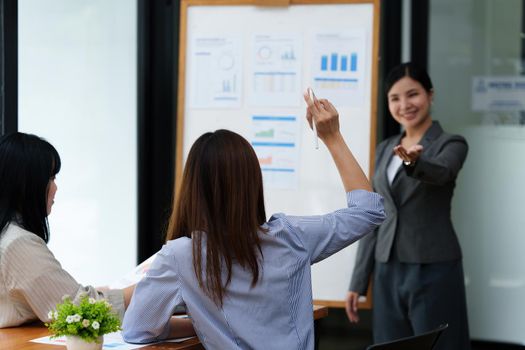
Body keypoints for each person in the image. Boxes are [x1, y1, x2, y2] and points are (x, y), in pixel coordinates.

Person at [121, 95, 386, 348]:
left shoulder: (180, 256)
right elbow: (368, 211)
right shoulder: (292, 236)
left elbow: (138, 330)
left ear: (192, 188)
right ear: (253, 184)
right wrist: (332, 137)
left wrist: (203, 325)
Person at [345, 62, 470, 350]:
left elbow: (442, 171)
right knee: (390, 346)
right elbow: (375, 214)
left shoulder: (451, 143)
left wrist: (415, 163)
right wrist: (358, 281)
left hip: (433, 267)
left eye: (412, 94)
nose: (404, 105)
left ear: (430, 94)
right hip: (387, 268)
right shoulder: (385, 147)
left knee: (440, 346)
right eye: (395, 98)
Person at [0, 132, 133, 328]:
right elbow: (76, 309)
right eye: (51, 178)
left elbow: (62, 296)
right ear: (27, 184)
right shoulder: (17, 242)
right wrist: (146, 288)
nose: (56, 187)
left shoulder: (8, 234)